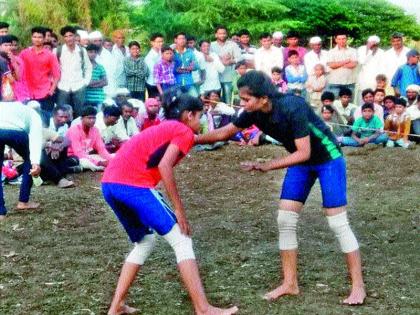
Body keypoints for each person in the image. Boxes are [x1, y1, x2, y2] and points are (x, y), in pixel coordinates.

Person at [196, 70, 366, 305]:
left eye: (246, 99)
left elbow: (304, 151)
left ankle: (358, 286)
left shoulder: (292, 106)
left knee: (337, 223)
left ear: (264, 98)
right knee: (285, 220)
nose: (242, 104)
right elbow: (225, 132)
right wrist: (188, 139)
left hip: (328, 159)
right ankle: (290, 283)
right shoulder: (252, 112)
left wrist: (267, 166)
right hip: (301, 163)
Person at [101, 94, 238, 315]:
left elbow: (218, 135)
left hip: (109, 184)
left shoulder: (169, 128)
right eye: (200, 116)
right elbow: (165, 166)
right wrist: (179, 210)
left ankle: (116, 306)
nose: (202, 121)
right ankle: (202, 308)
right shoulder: (182, 131)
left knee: (145, 241)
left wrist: (251, 117)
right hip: (133, 184)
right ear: (189, 115)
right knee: (181, 239)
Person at [0, 101, 42, 220]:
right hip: (16, 131)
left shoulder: (5, 106)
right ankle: (23, 201)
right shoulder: (33, 114)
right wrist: (35, 163)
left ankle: (0, 212)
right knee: (29, 160)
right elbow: (35, 137)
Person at [19, 27, 60, 126]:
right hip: (27, 92)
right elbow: (17, 69)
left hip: (44, 93)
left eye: (40, 37)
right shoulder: (24, 53)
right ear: (31, 38)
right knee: (27, 122)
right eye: (35, 37)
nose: (37, 39)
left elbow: (57, 75)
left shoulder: (50, 55)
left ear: (44, 38)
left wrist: (51, 90)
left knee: (44, 122)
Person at [56, 25, 92, 117]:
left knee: (80, 114)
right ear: (63, 38)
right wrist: (56, 83)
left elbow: (88, 67)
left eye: (70, 35)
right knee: (62, 113)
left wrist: (85, 82)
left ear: (75, 36)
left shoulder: (82, 51)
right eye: (66, 36)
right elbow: (54, 69)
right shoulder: (58, 51)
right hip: (63, 86)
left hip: (79, 86)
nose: (68, 38)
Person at [66, 106, 113, 172]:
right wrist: (100, 163)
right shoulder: (74, 130)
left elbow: (101, 149)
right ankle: (97, 166)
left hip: (87, 156)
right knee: (85, 161)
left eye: (94, 118)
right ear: (82, 118)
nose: (92, 120)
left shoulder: (95, 130)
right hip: (74, 157)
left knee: (111, 156)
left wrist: (111, 160)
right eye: (89, 118)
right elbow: (78, 154)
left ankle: (98, 166)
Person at [210, 25, 241, 104]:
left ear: (226, 34)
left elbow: (239, 58)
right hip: (215, 78)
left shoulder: (232, 44)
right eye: (220, 33)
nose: (222, 35)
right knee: (215, 101)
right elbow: (208, 58)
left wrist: (230, 61)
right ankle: (216, 116)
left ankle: (228, 115)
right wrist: (220, 60)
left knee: (228, 100)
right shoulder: (211, 45)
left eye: (224, 33)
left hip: (228, 77)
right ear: (216, 35)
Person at [326, 32, 358, 98]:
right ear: (336, 40)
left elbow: (353, 64)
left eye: (343, 39)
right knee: (334, 106)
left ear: (347, 39)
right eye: (339, 39)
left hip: (349, 83)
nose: (341, 41)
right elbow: (332, 65)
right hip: (335, 83)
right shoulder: (331, 52)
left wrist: (338, 64)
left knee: (349, 106)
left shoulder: (353, 51)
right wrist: (346, 61)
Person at [89, 31, 117, 98]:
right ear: (90, 42)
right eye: (95, 41)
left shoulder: (109, 55)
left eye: (100, 40)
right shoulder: (87, 55)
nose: (98, 43)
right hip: (91, 91)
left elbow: (112, 75)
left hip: (108, 90)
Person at [173, 32, 198, 96]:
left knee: (195, 98)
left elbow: (196, 66)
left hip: (189, 83)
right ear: (175, 40)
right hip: (176, 84)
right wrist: (186, 69)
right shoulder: (172, 52)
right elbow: (171, 69)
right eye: (180, 38)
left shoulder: (190, 52)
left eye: (184, 38)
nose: (182, 40)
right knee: (178, 102)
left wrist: (190, 68)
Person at [85, 44, 107, 108]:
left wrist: (91, 83)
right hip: (86, 99)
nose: (93, 54)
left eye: (95, 52)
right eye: (90, 52)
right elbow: (86, 83)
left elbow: (105, 82)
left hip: (99, 98)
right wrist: (100, 81)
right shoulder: (83, 67)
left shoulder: (100, 67)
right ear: (86, 53)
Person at [145, 33, 164, 98]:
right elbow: (155, 74)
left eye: (162, 41)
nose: (161, 43)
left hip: (162, 83)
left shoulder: (161, 52)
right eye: (158, 42)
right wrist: (161, 92)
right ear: (152, 43)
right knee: (155, 105)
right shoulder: (149, 57)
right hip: (153, 85)